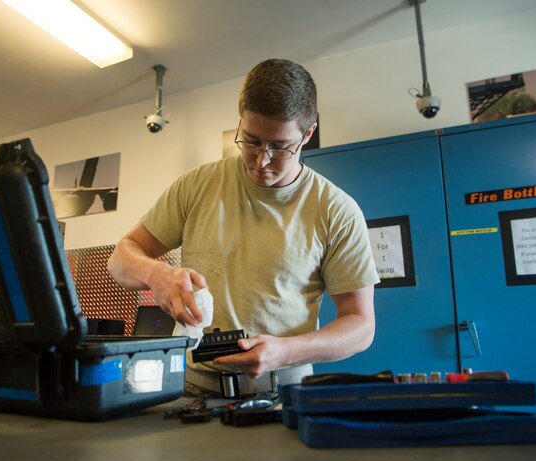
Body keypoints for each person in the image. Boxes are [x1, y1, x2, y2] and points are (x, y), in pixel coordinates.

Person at [108, 58, 379, 397]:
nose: (261, 160)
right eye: (250, 140)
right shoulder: (197, 185)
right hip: (190, 387)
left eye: (280, 147)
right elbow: (120, 258)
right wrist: (154, 274)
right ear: (240, 121)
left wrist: (286, 350)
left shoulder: (337, 211)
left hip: (284, 391)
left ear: (308, 133)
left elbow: (360, 326)